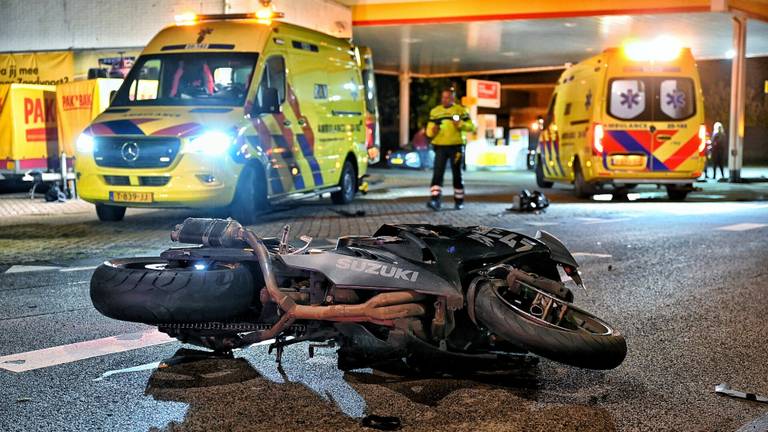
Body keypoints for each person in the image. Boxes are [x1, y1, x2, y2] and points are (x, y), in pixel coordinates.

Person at [425, 88, 476, 210]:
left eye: (447, 97)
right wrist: (432, 131)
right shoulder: (435, 112)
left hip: (456, 146)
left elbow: (472, 127)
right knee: (437, 173)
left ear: (453, 98)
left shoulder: (461, 110)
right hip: (440, 147)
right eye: (443, 97)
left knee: (457, 174)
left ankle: (459, 201)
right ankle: (435, 200)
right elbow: (428, 131)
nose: (445, 99)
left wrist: (460, 125)